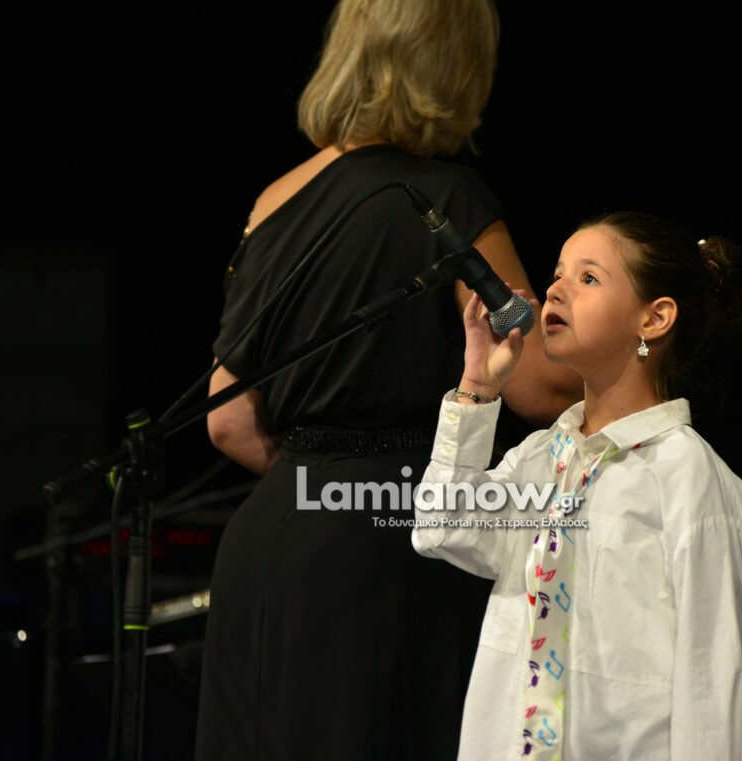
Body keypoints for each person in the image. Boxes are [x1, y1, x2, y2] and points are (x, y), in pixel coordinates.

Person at [194, 1, 582, 759]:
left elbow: (227, 420)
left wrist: (317, 488)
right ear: (457, 63)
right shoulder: (446, 199)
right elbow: (541, 386)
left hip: (264, 546)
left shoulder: (273, 199)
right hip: (384, 548)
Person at [413, 212, 742, 759]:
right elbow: (441, 528)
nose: (556, 290)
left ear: (654, 318)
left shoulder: (690, 480)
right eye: (557, 274)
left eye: (588, 278)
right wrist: (477, 386)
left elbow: (714, 688)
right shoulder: (541, 457)